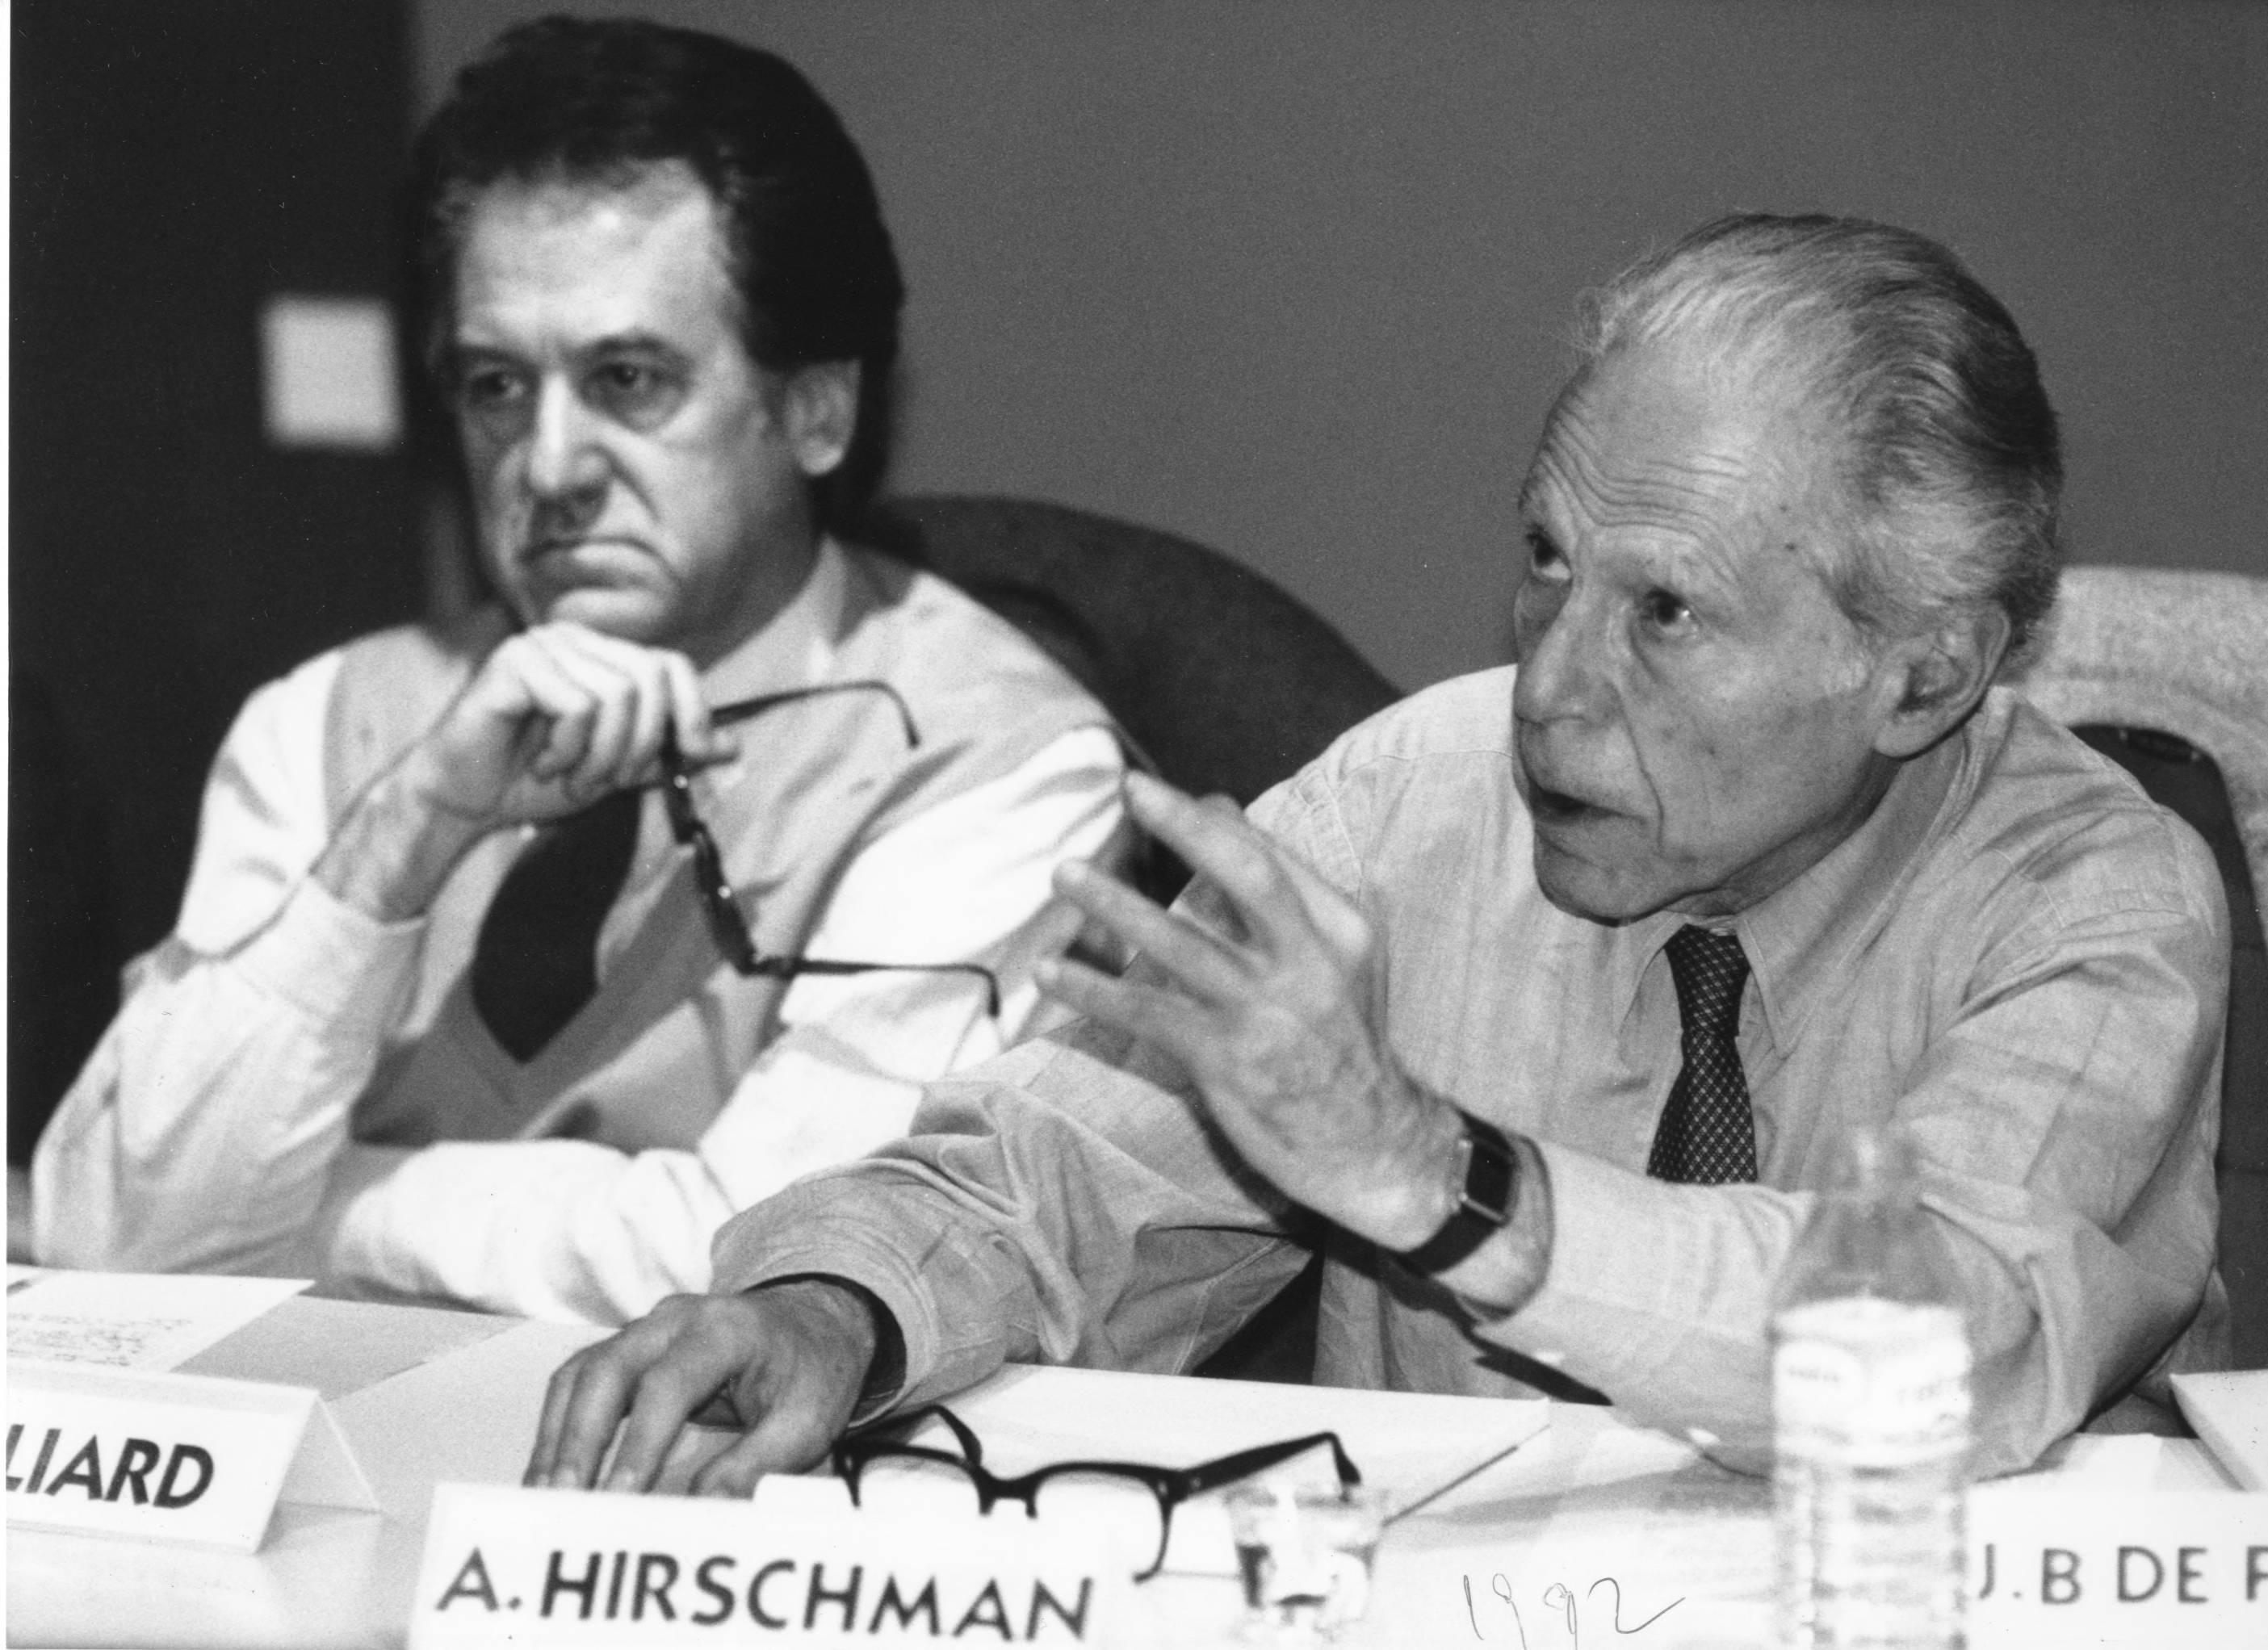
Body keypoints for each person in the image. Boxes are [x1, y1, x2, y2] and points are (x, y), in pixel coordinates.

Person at [527, 213, 2231, 1493]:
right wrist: (829, 1312)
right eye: (1547, 559)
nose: (1548, 688)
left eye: (1665, 611)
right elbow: (1050, 1179)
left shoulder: (2094, 896)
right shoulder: (1410, 799)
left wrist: (1436, 1176)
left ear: (1921, 675)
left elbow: (1926, 1354)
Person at [30, 17, 1129, 1323]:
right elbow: (113, 1244)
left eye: (628, 378)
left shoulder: (996, 766)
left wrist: (305, 1211)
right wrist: (403, 835)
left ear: (817, 409)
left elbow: (776, 1265)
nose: (547, 467)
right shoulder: (326, 725)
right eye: (497, 386)